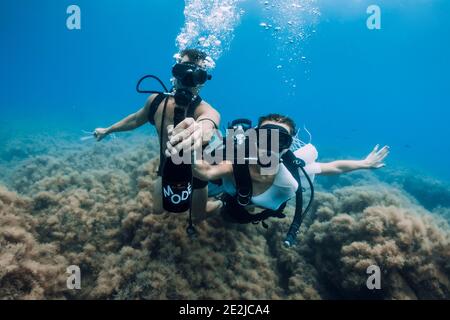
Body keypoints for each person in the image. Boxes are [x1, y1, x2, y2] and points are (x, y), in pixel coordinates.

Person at [171, 113, 389, 245]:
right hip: (232, 193)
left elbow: (332, 167)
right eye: (265, 137)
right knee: (216, 213)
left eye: (279, 139)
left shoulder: (291, 175)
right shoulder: (237, 161)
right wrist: (189, 149)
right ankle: (220, 201)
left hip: (257, 208)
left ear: (288, 145)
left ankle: (222, 203)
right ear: (254, 137)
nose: (270, 146)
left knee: (235, 218)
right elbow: (205, 171)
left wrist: (364, 164)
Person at [94, 49, 221, 216]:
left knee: (198, 215)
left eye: (196, 75)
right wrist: (108, 130)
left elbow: (209, 121)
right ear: (175, 73)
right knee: (158, 211)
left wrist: (201, 130)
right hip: (166, 164)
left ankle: (221, 200)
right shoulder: (156, 101)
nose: (187, 80)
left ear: (202, 81)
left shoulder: (204, 109)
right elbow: (135, 119)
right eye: (182, 71)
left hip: (196, 170)